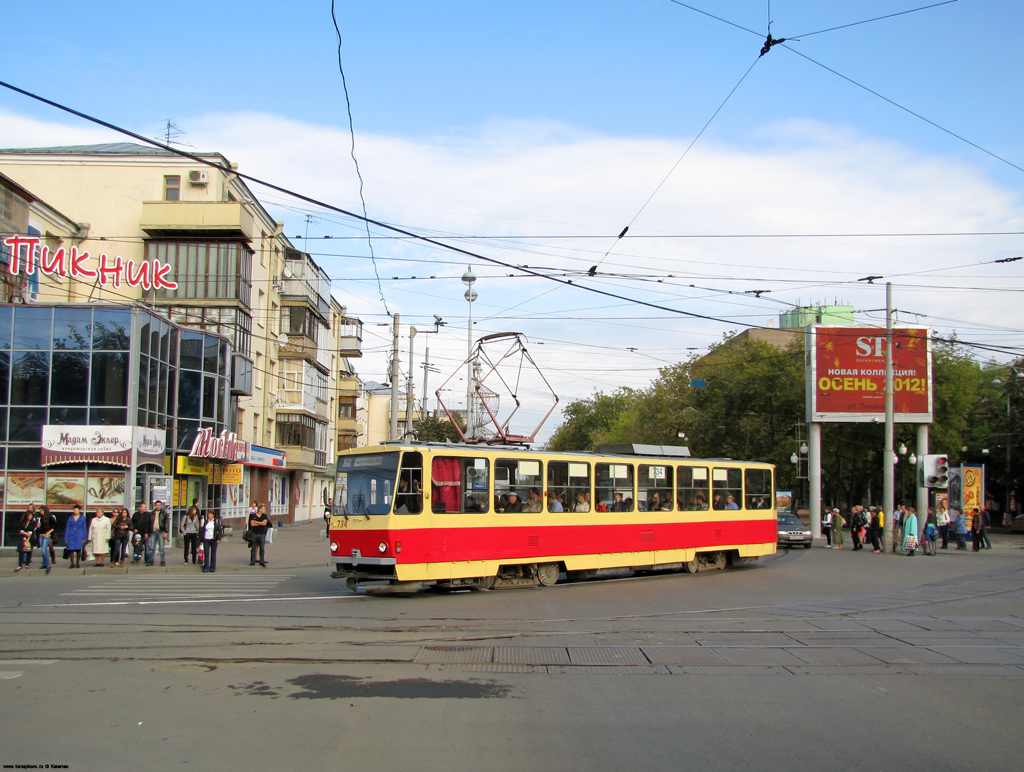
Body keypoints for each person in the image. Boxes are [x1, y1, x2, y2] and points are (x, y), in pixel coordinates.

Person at [64, 505, 88, 569]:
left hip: (79, 535)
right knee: (71, 550)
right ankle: (72, 563)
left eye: (76, 509)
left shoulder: (82, 518)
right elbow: (68, 528)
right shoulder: (70, 518)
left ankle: (78, 563)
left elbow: (84, 528)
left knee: (78, 550)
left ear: (79, 510)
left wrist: (84, 537)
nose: (75, 511)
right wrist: (66, 538)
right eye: (74, 509)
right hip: (71, 535)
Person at [147, 500, 170, 567]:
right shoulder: (151, 513)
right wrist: (149, 531)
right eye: (157, 505)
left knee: (161, 548)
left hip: (161, 531)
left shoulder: (164, 513)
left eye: (159, 505)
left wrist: (166, 532)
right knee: (152, 547)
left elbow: (166, 523)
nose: (158, 506)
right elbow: (149, 523)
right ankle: (151, 561)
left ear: (161, 506)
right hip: (153, 532)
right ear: (155, 505)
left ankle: (162, 561)